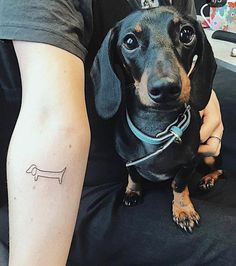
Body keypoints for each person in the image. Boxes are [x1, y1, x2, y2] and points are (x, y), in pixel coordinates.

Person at [0, 0, 234, 265]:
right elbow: (49, 119)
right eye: (132, 43)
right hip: (91, 181)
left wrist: (205, 92)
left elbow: (187, 57)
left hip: (178, 142)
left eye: (184, 34)